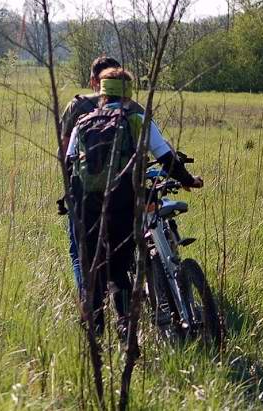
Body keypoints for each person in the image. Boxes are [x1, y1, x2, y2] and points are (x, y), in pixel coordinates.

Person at [66, 67, 202, 338]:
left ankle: (94, 331)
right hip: (122, 202)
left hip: (87, 205)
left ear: (101, 93)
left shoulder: (83, 122)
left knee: (93, 266)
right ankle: (126, 326)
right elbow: (165, 158)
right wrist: (188, 180)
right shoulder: (137, 118)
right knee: (119, 268)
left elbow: (70, 164)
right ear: (128, 93)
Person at [59, 56, 144, 291]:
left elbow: (65, 150)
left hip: (85, 190)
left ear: (93, 80)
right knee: (123, 250)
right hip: (125, 192)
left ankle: (90, 302)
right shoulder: (133, 108)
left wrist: (69, 189)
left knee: (80, 252)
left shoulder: (77, 106)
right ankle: (125, 301)